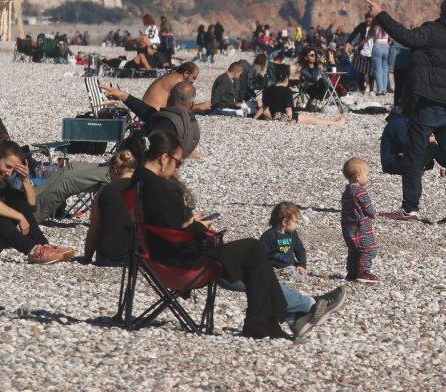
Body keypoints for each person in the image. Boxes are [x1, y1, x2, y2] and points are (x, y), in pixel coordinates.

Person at [129, 131, 300, 339]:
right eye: (178, 163)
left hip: (156, 256)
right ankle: (266, 322)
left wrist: (190, 223)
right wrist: (199, 227)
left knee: (251, 255)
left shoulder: (138, 182)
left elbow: (165, 226)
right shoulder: (158, 188)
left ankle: (274, 318)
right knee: (254, 249)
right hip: (180, 261)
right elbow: (174, 234)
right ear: (164, 158)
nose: (177, 169)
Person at [367, 0, 446, 226]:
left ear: (443, 13)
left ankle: (411, 209)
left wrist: (381, 14)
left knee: (414, 156)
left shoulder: (432, 30)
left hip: (428, 103)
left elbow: (405, 37)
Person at [101, 81, 203, 155]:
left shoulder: (166, 123)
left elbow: (150, 150)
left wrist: (139, 133)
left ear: (168, 97)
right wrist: (123, 96)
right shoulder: (190, 122)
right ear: (191, 104)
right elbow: (149, 113)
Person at [81, 150, 136, 266]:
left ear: (115, 169)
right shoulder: (144, 189)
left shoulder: (104, 191)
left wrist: (87, 257)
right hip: (136, 257)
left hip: (106, 256)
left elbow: (93, 230)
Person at [254, 64, 344, 125]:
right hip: (284, 117)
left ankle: (334, 122)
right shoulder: (287, 91)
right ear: (286, 79)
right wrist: (289, 119)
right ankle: (335, 123)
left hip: (273, 116)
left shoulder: (268, 89)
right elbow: (288, 109)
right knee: (313, 120)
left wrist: (254, 119)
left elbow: (263, 107)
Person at [341, 158, 378, 283]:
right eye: (367, 175)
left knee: (353, 249)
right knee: (368, 248)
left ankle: (352, 272)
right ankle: (363, 271)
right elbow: (367, 207)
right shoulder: (360, 191)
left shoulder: (346, 191)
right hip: (360, 226)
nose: (368, 177)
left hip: (348, 227)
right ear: (358, 176)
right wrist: (373, 214)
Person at [260, 202, 307, 276]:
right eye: (295, 222)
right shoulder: (269, 236)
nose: (297, 225)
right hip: (273, 268)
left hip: (290, 266)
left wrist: (301, 264)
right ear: (284, 222)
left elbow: (300, 249)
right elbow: (261, 254)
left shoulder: (293, 234)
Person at [369, 20, 391, 96]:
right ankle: (385, 90)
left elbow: (369, 35)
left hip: (377, 45)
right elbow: (391, 39)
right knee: (385, 70)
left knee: (378, 70)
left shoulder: (375, 27)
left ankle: (380, 90)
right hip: (386, 46)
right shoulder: (388, 27)